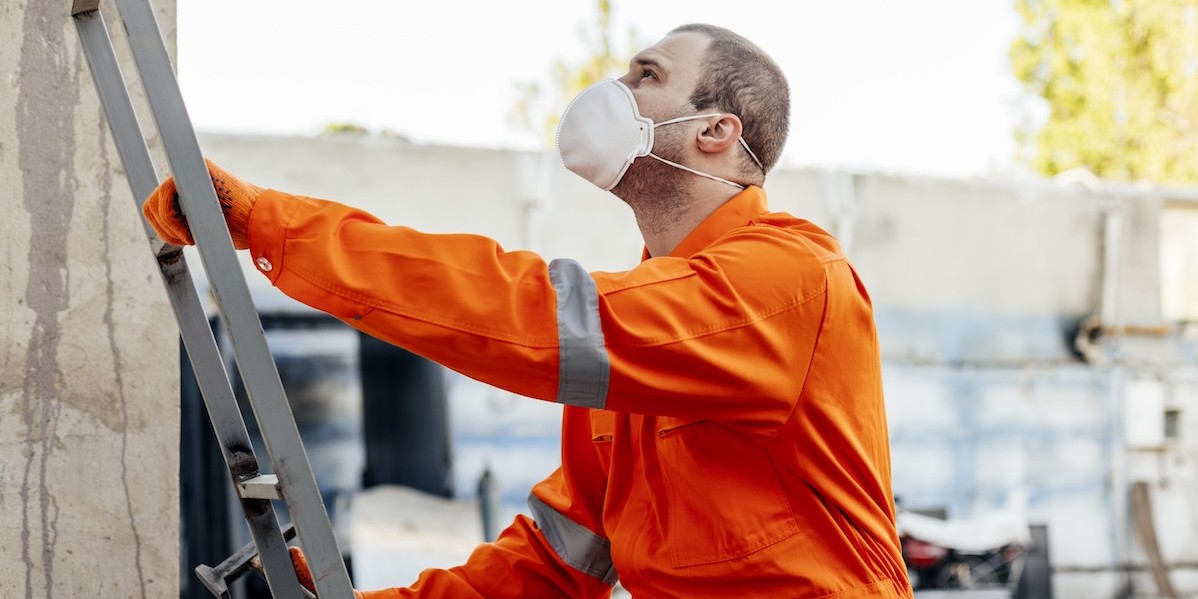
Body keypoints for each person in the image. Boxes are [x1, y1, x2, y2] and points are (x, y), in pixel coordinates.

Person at [146, 23, 913, 599]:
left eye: (645, 75)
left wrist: (275, 226)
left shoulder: (787, 278)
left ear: (716, 130)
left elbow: (526, 316)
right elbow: (551, 564)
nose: (614, 89)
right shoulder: (647, 333)